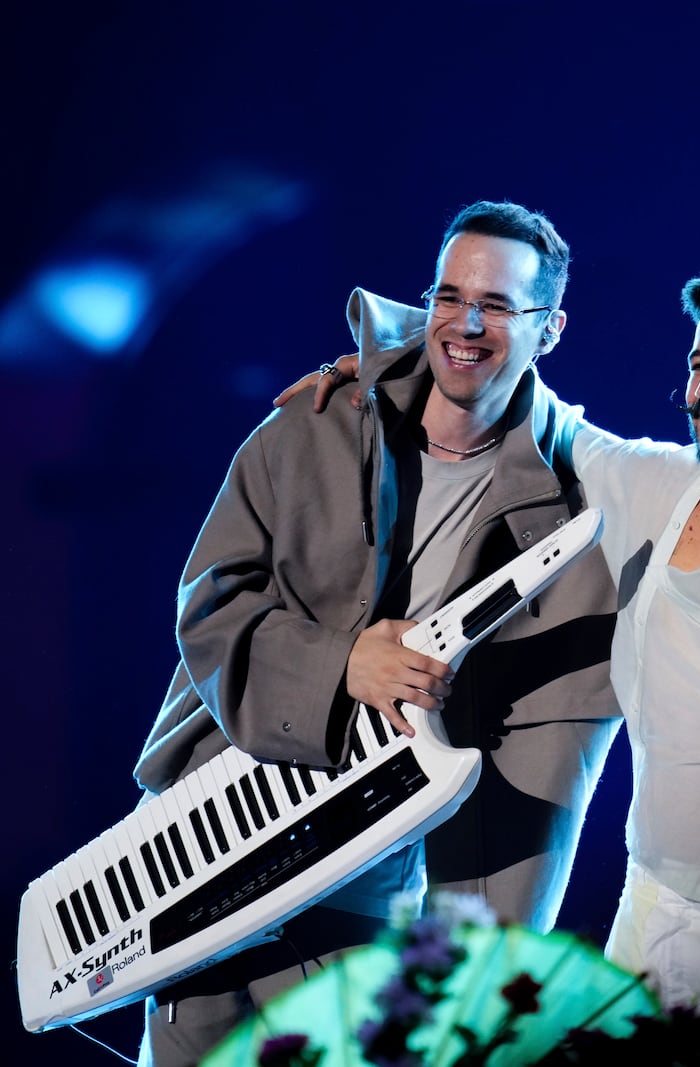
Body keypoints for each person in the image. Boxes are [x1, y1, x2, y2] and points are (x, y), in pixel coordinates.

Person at [300, 264, 700, 1041]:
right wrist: (377, 373)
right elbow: (535, 403)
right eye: (699, 363)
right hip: (652, 916)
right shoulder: (655, 486)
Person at [132, 201, 620, 1066]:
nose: (467, 324)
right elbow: (207, 606)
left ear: (551, 329)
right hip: (202, 843)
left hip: (361, 882)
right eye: (449, 294)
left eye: (500, 305)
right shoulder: (311, 425)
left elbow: (556, 750)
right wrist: (341, 662)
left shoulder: (574, 499)